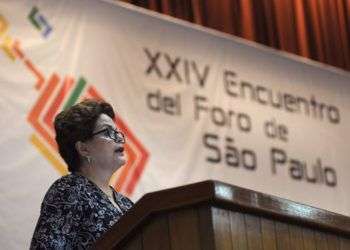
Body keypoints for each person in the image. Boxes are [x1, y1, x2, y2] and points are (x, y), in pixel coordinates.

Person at [30, 99, 133, 249]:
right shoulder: (69, 190)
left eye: (116, 131)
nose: (118, 137)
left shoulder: (127, 204)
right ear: (83, 149)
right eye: (107, 132)